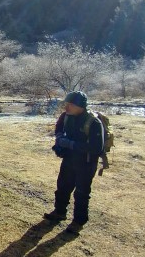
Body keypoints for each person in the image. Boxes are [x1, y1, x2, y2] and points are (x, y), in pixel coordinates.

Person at [44, 91, 104, 234]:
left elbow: (97, 148)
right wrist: (59, 140)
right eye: (66, 104)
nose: (66, 107)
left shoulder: (94, 122)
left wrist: (70, 144)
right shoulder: (66, 116)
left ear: (80, 106)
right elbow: (58, 128)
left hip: (86, 163)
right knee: (63, 187)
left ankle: (78, 222)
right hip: (69, 159)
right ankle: (59, 212)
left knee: (82, 193)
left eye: (70, 105)